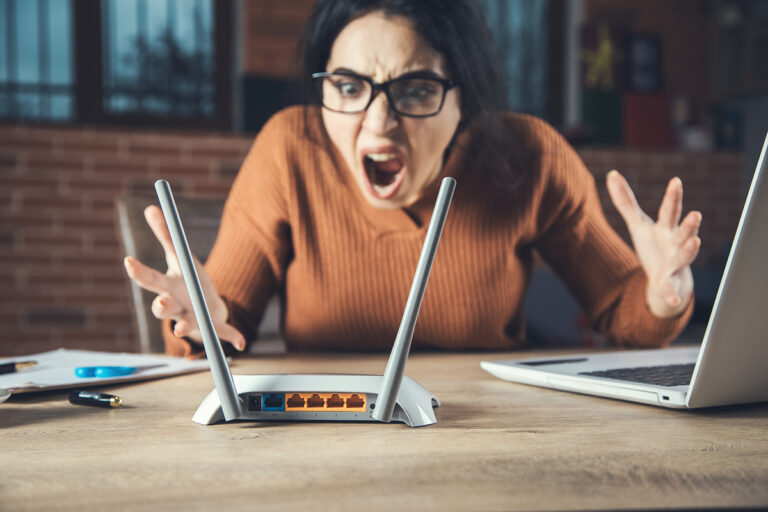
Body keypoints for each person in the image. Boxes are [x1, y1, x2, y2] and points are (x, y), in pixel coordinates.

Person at [123, 0, 701, 359]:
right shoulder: (289, 150)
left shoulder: (530, 156)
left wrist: (662, 293)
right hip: (327, 430)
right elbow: (220, 330)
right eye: (348, 87)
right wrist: (204, 323)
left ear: (463, 100)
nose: (380, 121)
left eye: (417, 90)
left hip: (494, 432)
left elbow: (627, 318)